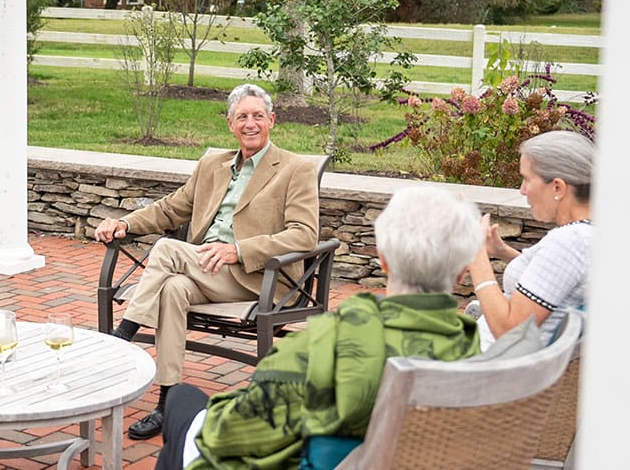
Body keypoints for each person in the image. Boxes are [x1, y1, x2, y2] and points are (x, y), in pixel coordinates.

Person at [157, 186, 483, 470]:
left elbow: (227, 435)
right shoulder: (475, 354)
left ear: (382, 260)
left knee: (180, 402)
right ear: (461, 274)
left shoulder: (330, 344)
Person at [94, 83, 321, 440]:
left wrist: (239, 250)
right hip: (203, 269)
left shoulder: (295, 169)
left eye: (258, 116)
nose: (250, 123)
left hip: (259, 278)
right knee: (172, 288)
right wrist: (124, 223)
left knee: (168, 249)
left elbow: (304, 234)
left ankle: (122, 335)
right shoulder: (212, 165)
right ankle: (167, 402)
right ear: (230, 124)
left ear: (272, 120)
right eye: (242, 117)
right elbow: (171, 208)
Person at [467, 130, 593, 350]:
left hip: (481, 369)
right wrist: (503, 252)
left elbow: (510, 331)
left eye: (527, 179)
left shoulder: (569, 243)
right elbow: (555, 279)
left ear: (558, 187)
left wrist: (475, 255)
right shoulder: (588, 235)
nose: (522, 190)